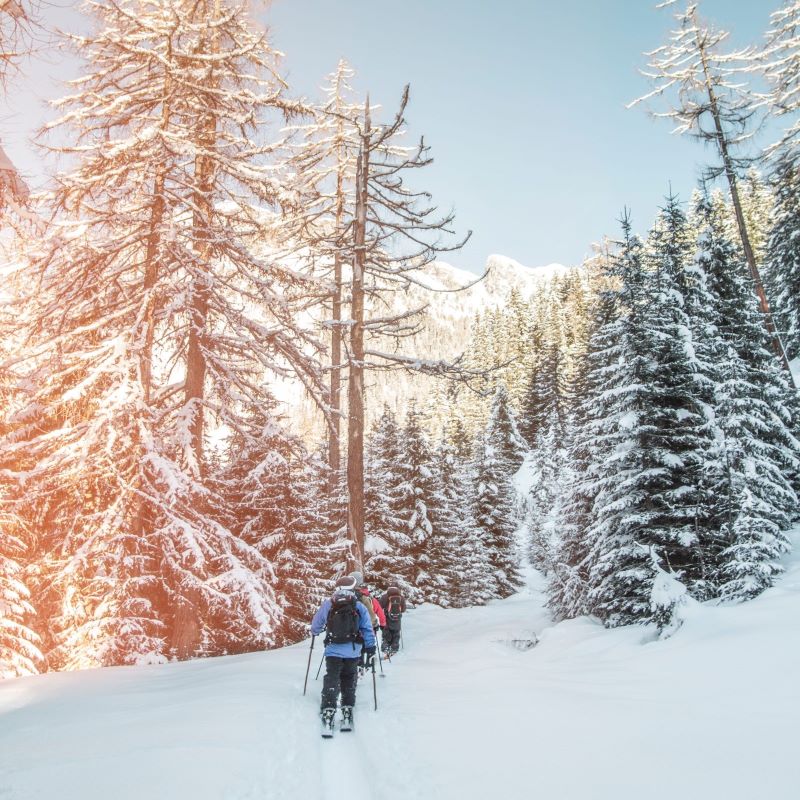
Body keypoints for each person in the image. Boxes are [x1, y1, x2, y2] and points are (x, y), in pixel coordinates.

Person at [310, 575, 376, 735]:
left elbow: (316, 624)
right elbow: (367, 628)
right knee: (349, 677)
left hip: (333, 649)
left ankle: (328, 709)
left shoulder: (329, 604)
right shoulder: (358, 606)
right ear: (353, 587)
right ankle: (347, 708)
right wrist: (371, 647)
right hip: (353, 651)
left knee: (332, 677)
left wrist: (315, 632)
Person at [350, 572, 386, 670]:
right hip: (369, 626)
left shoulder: (351, 596)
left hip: (354, 627)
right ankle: (367, 663)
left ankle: (359, 663)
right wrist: (382, 624)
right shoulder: (370, 599)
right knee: (368, 644)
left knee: (358, 645)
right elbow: (379, 612)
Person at [378, 585, 407, 656]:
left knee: (386, 633)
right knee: (396, 633)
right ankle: (394, 649)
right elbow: (403, 609)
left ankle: (385, 649)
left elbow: (379, 607)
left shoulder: (385, 596)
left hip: (387, 618)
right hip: (397, 619)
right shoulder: (401, 597)